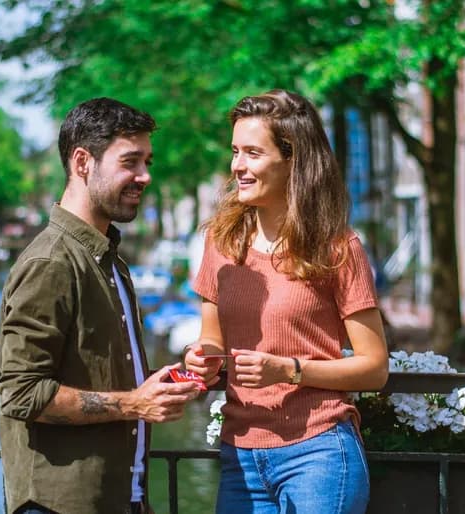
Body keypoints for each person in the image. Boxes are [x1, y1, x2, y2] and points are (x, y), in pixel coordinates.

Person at [184, 89, 389, 514]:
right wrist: (201, 359)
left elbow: (374, 368)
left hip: (318, 453)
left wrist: (289, 370)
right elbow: (211, 341)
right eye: (235, 152)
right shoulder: (221, 244)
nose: (237, 166)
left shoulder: (336, 248)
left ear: (292, 158)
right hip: (240, 456)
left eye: (252, 153)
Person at [0, 98, 202, 514]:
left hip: (120, 497)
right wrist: (134, 403)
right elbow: (21, 393)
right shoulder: (52, 261)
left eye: (147, 161)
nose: (144, 176)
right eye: (130, 161)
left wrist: (165, 381)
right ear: (83, 161)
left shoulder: (108, 260)